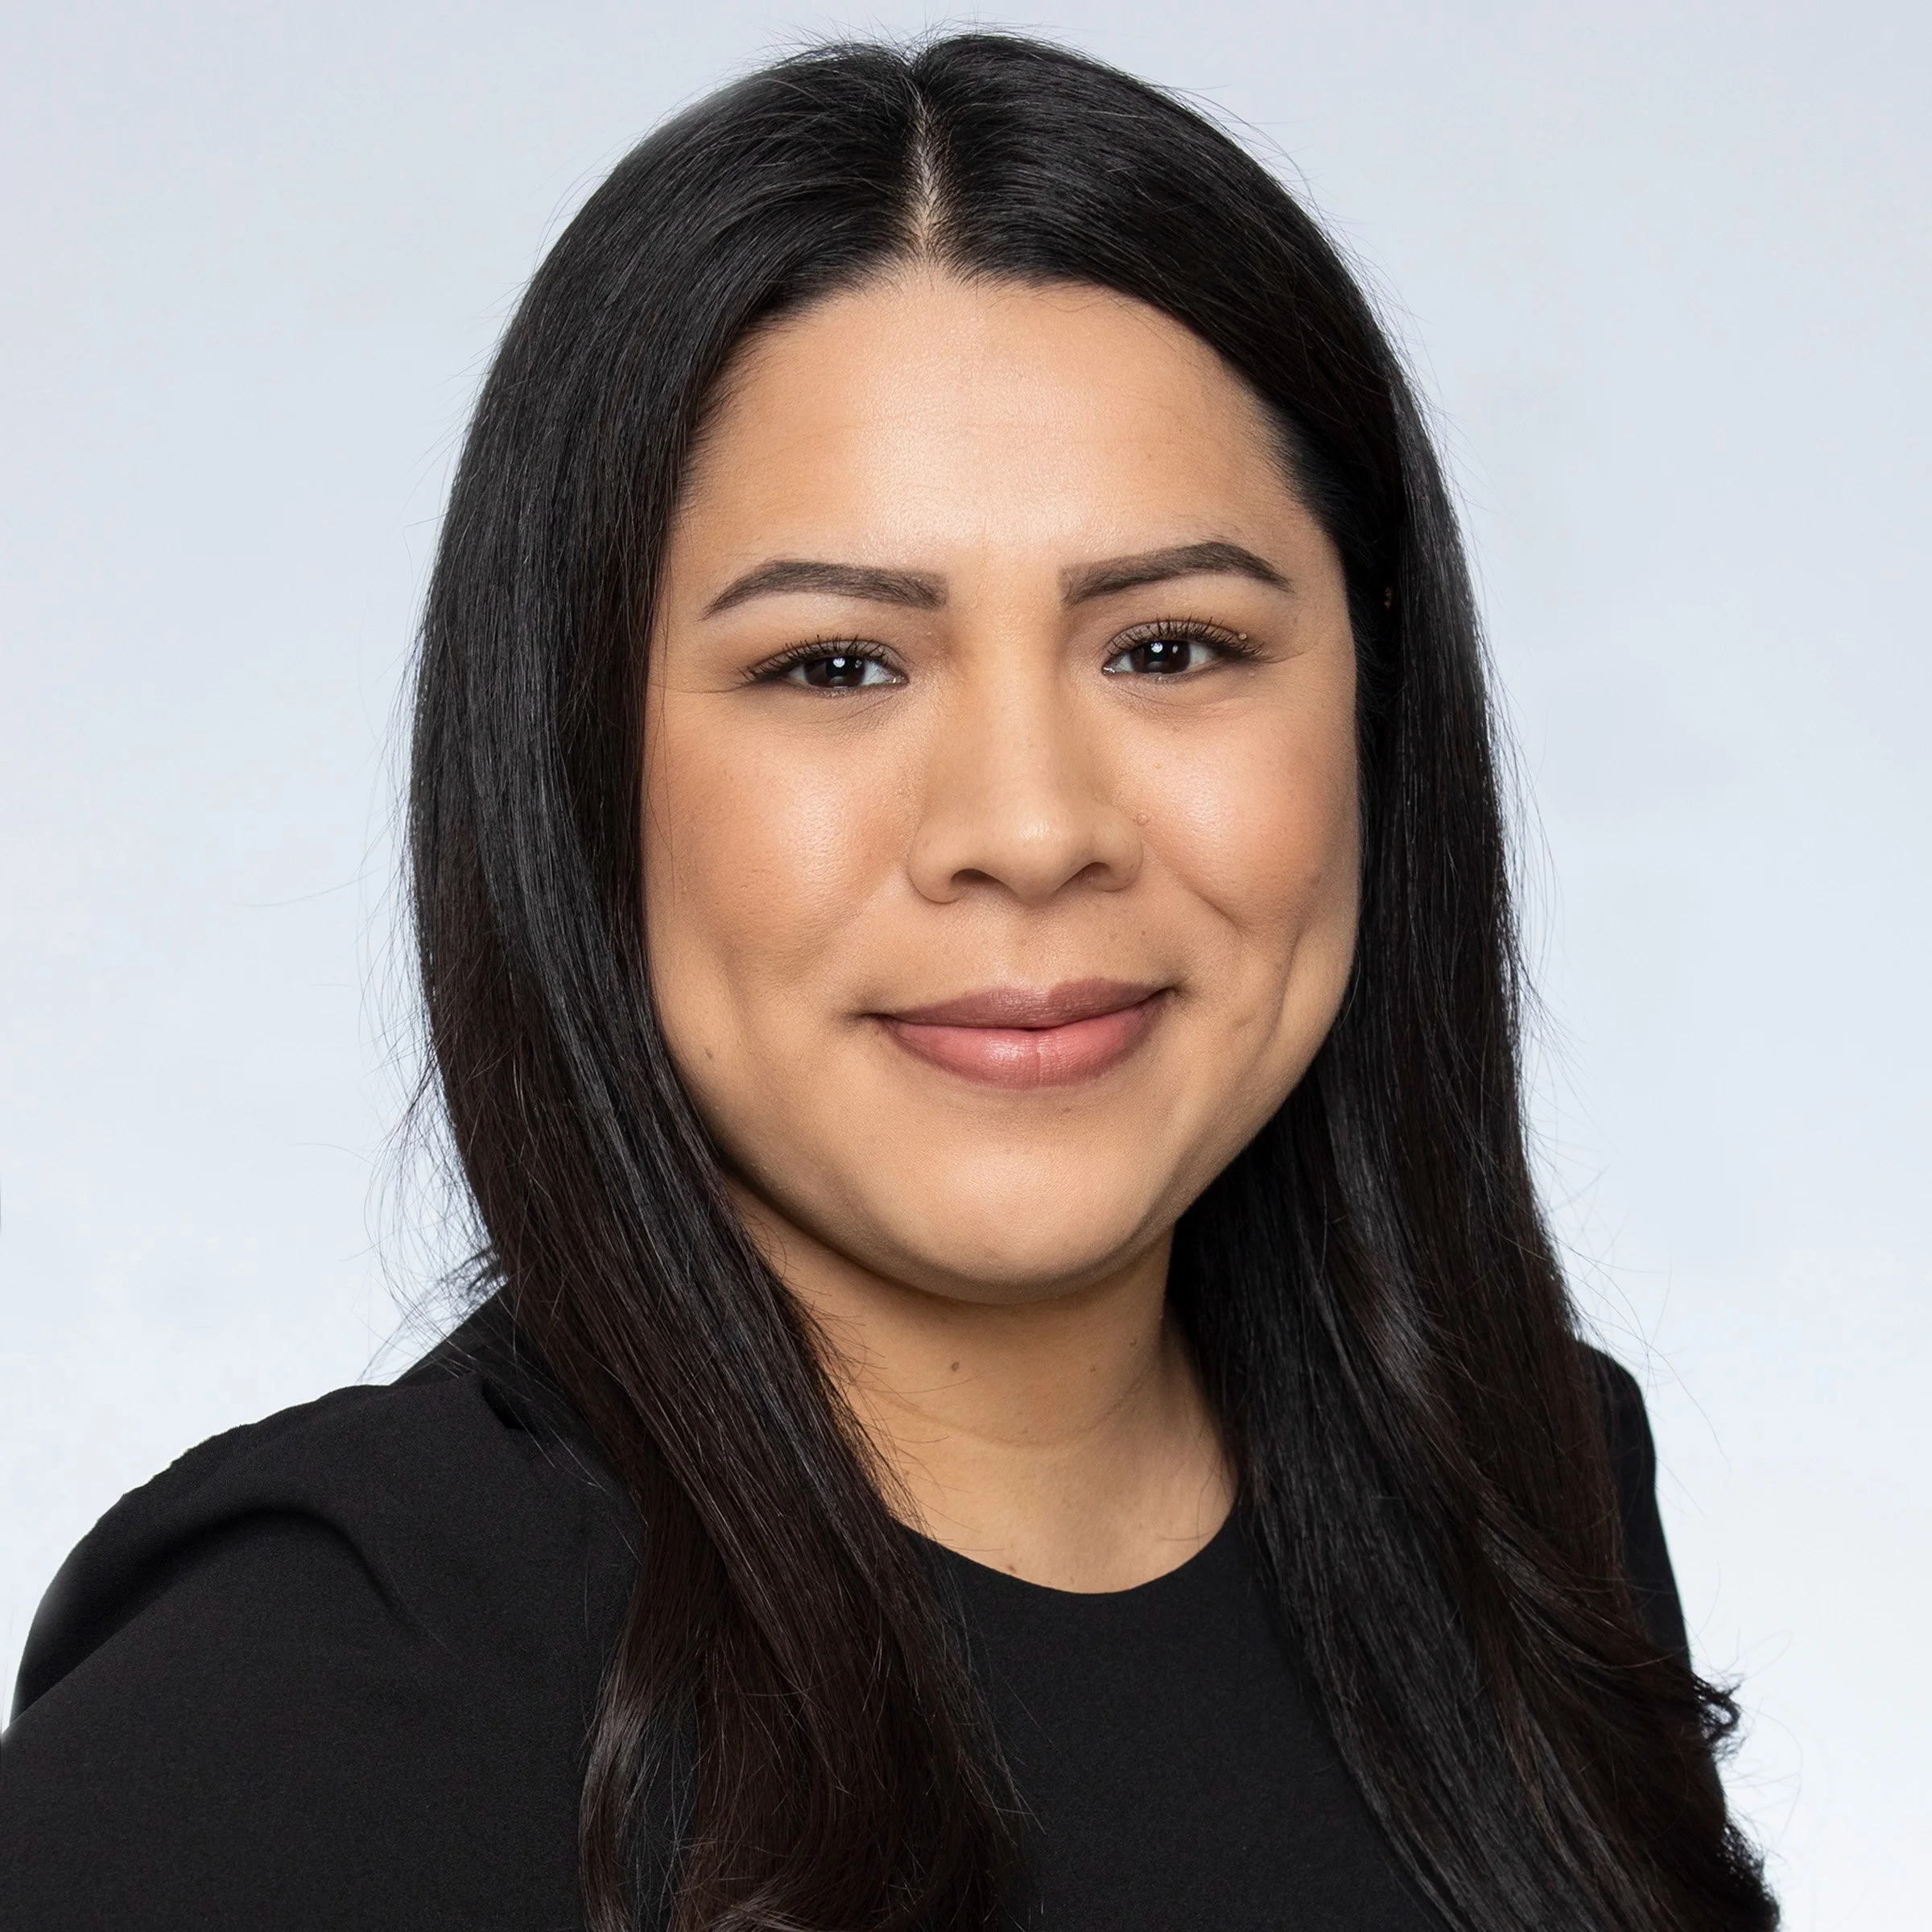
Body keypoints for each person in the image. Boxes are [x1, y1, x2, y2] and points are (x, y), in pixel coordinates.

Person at [0, 33, 1777, 1932]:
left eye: (1172, 647)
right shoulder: (309, 1694)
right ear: (577, 772)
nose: (1025, 827)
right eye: (837, 666)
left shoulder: (1522, 1500)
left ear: (1375, 715)